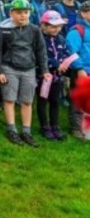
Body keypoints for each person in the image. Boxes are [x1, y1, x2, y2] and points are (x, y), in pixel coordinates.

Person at [0, 0, 50, 147]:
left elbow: (41, 51)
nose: (22, 16)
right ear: (11, 13)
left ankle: (26, 131)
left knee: (27, 101)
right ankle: (11, 129)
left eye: (25, 12)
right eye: (19, 12)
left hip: (29, 69)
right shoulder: (4, 30)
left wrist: (44, 69)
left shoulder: (34, 30)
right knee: (9, 99)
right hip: (9, 68)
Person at [38, 11, 70, 141]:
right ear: (44, 26)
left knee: (55, 101)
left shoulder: (61, 38)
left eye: (58, 26)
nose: (56, 29)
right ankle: (45, 126)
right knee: (43, 101)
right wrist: (56, 64)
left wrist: (65, 63)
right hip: (43, 77)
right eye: (52, 26)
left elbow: (66, 53)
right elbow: (41, 56)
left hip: (58, 77)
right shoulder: (40, 39)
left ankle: (55, 126)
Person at [66, 2, 90, 139]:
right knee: (78, 100)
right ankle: (75, 128)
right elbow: (72, 51)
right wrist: (79, 68)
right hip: (82, 71)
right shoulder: (77, 30)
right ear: (83, 13)